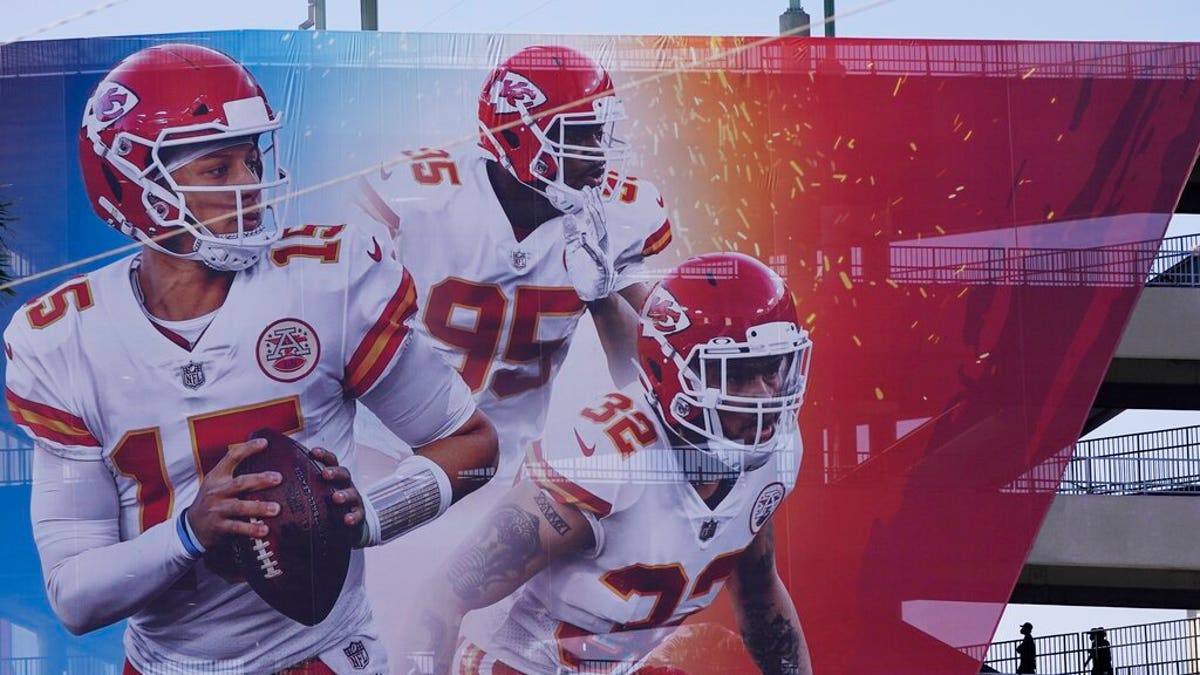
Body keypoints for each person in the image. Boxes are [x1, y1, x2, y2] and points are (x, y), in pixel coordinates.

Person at [3, 44, 497, 673]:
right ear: (138, 188)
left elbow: (473, 442)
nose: (250, 186)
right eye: (217, 169)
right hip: (167, 664)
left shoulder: (327, 282)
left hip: (325, 655)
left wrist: (368, 515)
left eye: (252, 159)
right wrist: (191, 531)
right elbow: (75, 597)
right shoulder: (62, 339)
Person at [412, 252, 815, 674]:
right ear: (673, 372)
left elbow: (757, 588)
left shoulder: (772, 451)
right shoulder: (611, 464)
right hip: (516, 663)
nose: (764, 396)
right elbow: (443, 595)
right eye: (736, 374)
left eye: (773, 368)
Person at [356, 44, 673, 479]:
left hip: (502, 467)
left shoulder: (610, 213)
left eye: (598, 133)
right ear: (515, 134)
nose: (597, 153)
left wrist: (602, 295)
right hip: (388, 448)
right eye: (578, 135)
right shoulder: (423, 194)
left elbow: (639, 369)